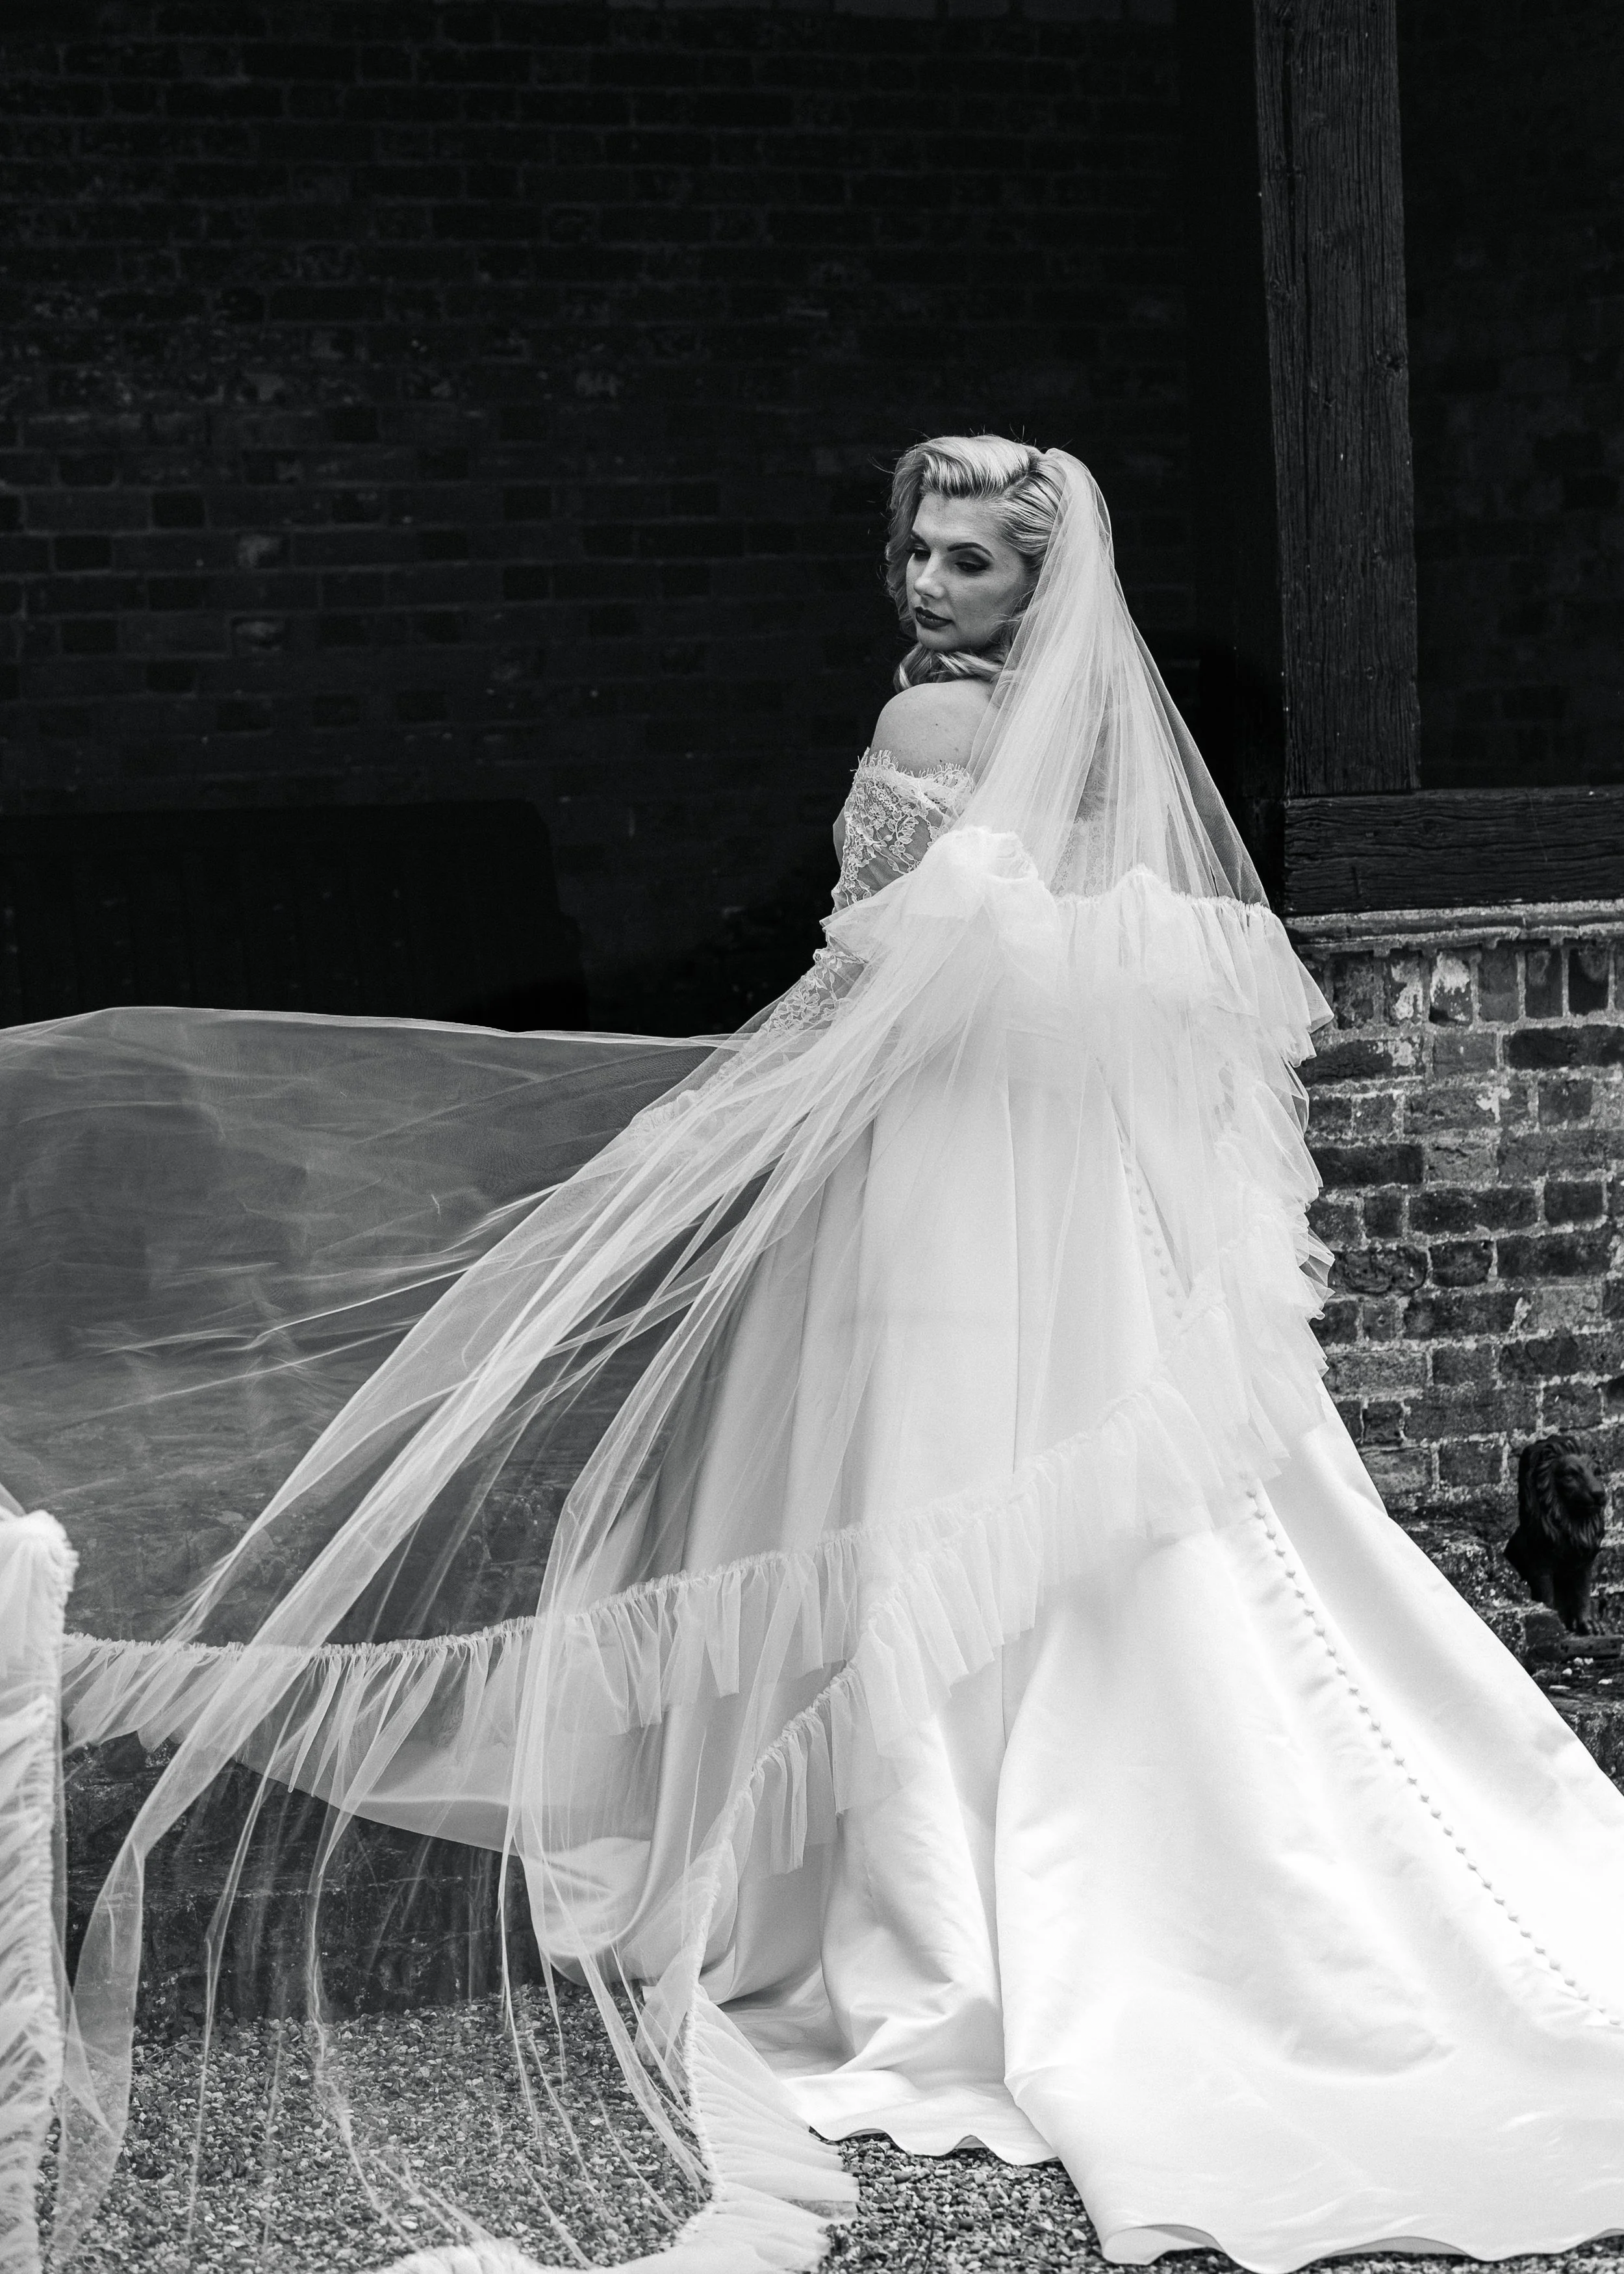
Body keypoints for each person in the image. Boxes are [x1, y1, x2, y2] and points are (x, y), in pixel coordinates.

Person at [9, 435, 1624, 2274]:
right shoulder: (1084, 735)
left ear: (1036, 587)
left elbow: (868, 965)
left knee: (922, 1470)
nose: (930, 588)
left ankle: (935, 1895)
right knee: (1063, 1490)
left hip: (941, 1167)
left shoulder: (936, 735)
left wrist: (718, 1107)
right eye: (920, 556)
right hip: (1059, 1192)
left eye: (969, 567)